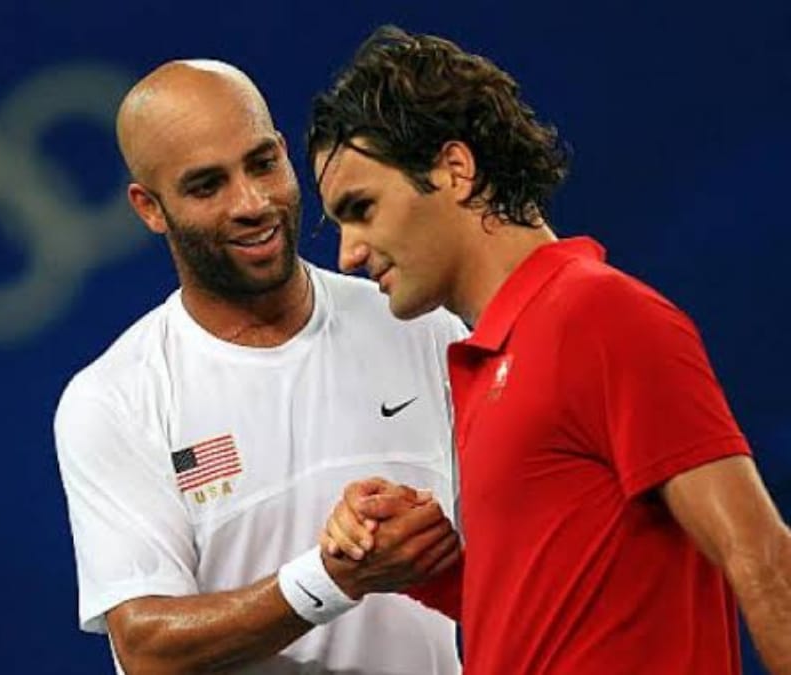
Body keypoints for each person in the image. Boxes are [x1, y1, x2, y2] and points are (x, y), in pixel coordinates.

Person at [308, 24, 791, 675]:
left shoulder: (599, 313)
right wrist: (429, 563)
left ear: (455, 169)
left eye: (361, 208)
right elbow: (562, 614)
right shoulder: (491, 360)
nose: (349, 253)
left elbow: (761, 556)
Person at [53, 59, 469, 674]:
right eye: (206, 186)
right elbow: (147, 648)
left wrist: (422, 541)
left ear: (282, 152)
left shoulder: (422, 327)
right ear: (149, 207)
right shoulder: (115, 398)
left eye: (262, 164)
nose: (251, 202)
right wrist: (330, 578)